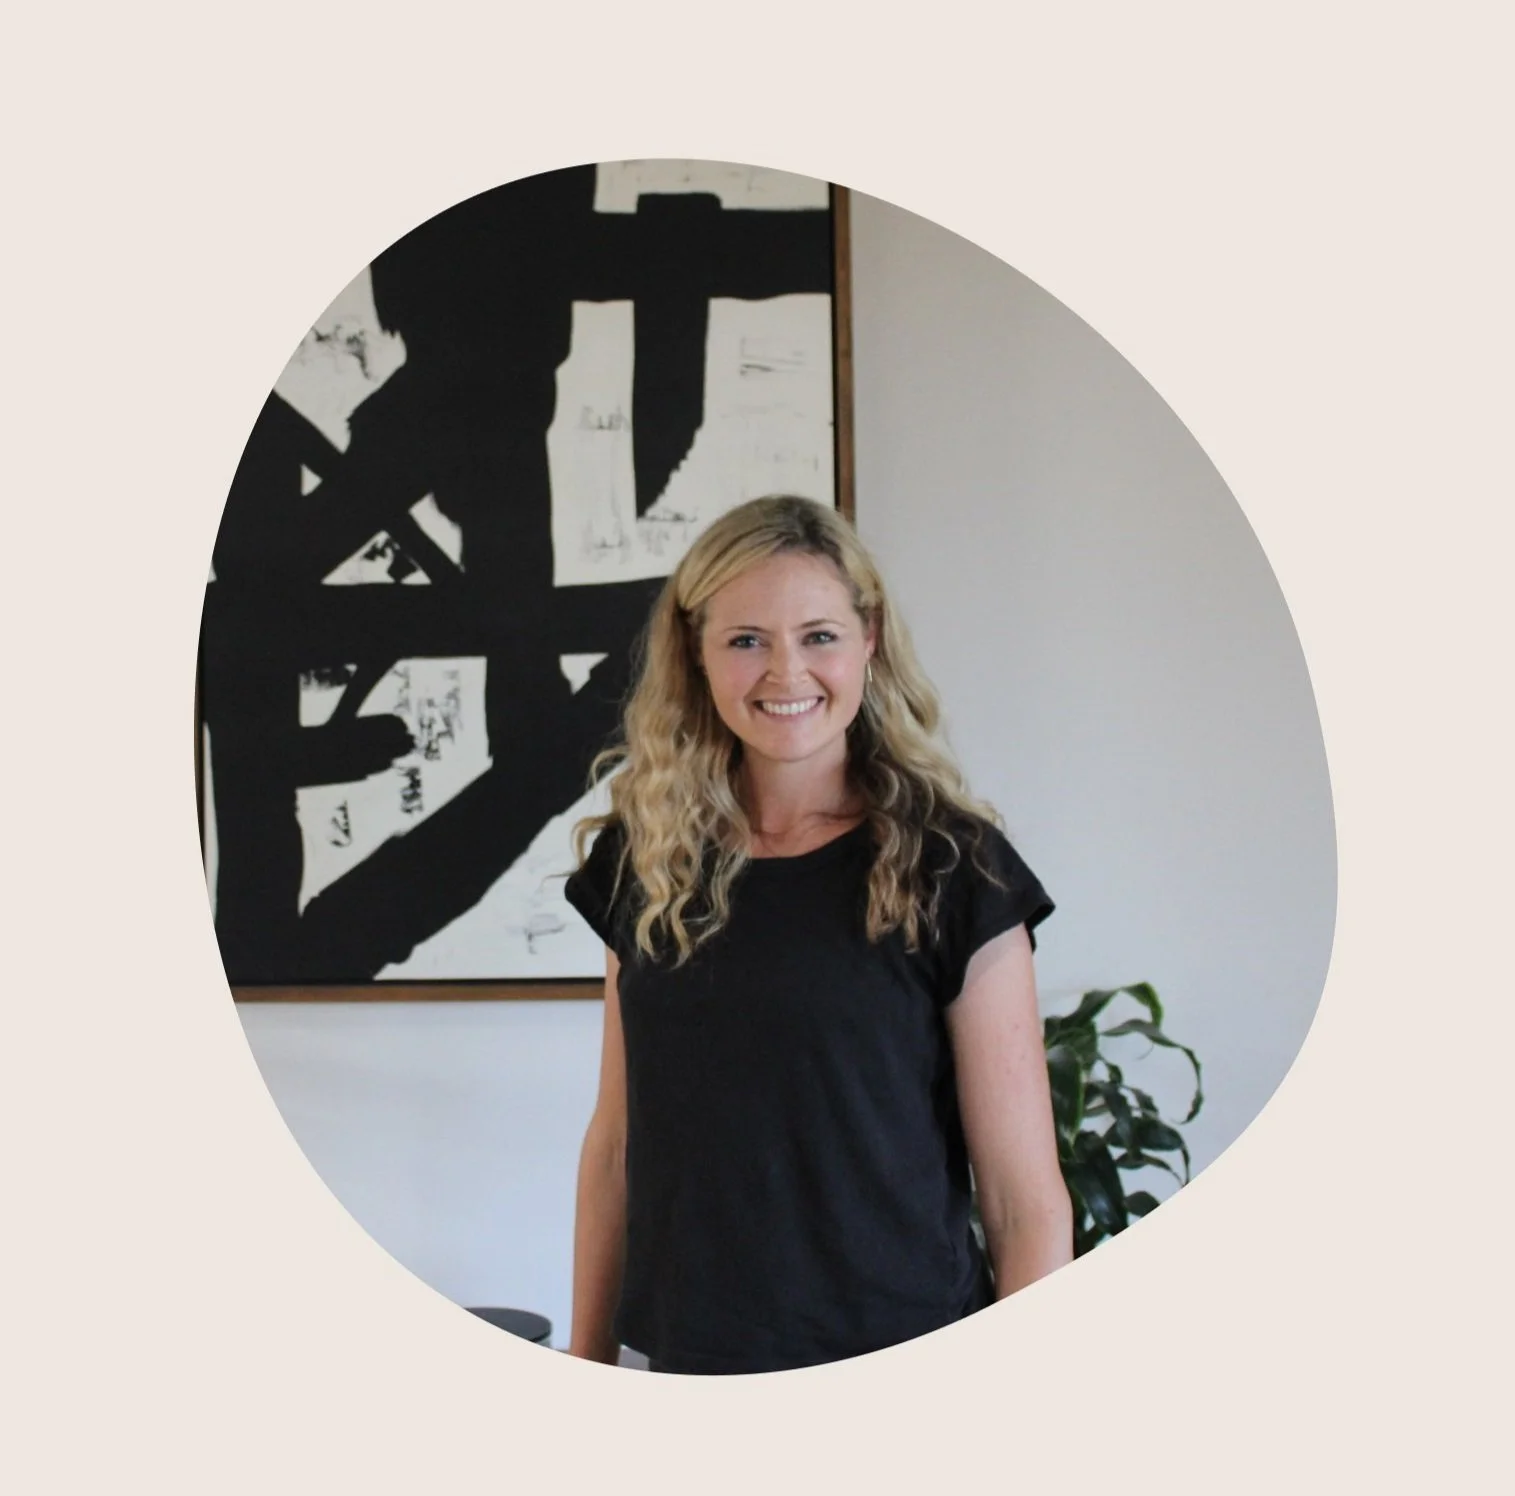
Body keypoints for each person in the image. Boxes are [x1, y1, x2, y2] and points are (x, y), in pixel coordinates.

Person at [562, 494, 1072, 1375]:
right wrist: (586, 1359)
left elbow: (1022, 1200)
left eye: (819, 636)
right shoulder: (644, 858)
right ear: (697, 653)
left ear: (868, 640)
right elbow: (615, 1146)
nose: (784, 672)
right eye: (746, 639)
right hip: (690, 1360)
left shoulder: (955, 867)